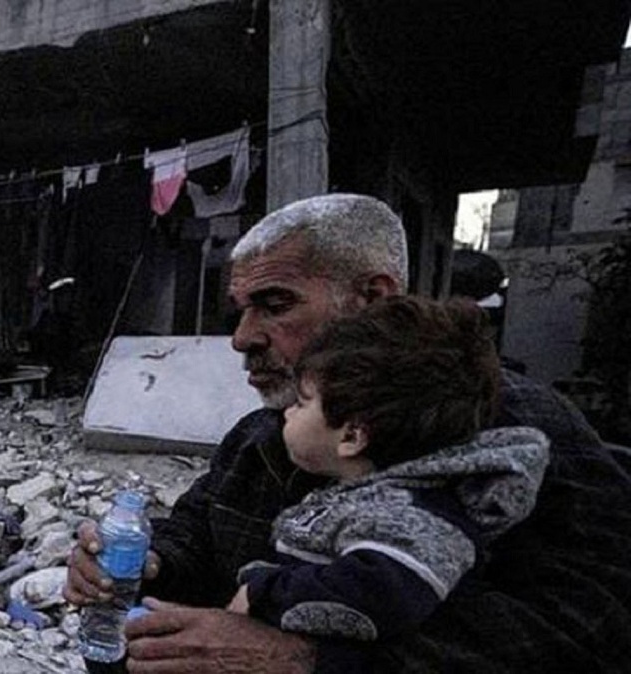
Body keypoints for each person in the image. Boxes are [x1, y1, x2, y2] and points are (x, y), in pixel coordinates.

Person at [66, 194, 631, 673]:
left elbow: (591, 622)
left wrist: (307, 657)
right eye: (239, 310)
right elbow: (198, 531)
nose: (241, 339)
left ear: (371, 299)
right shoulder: (266, 433)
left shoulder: (512, 429)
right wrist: (143, 561)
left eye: (275, 304)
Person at [226, 296, 548, 652]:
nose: (288, 414)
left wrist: (264, 593)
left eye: (302, 404)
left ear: (351, 436)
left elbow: (382, 592)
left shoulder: (411, 514)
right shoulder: (361, 495)